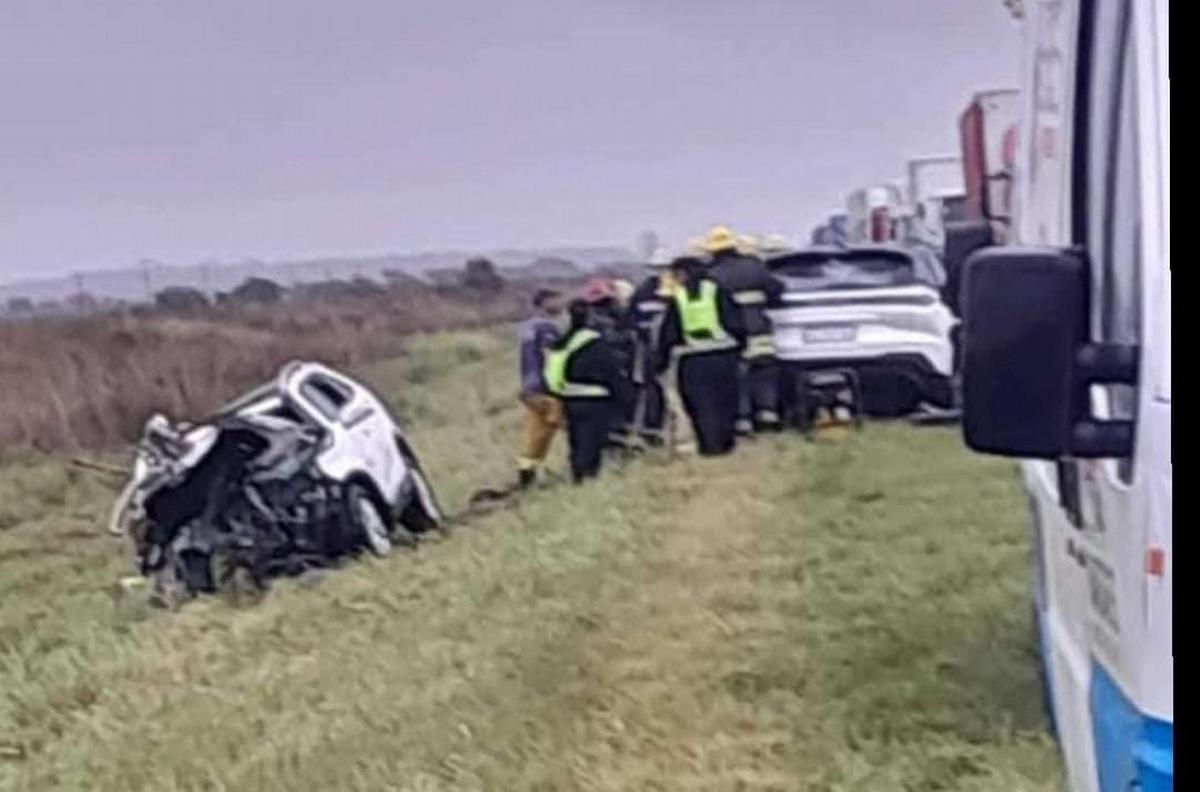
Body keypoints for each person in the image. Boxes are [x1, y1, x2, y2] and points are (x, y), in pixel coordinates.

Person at [656, 256, 744, 456]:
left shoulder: (679, 297)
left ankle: (709, 446)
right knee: (725, 402)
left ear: (683, 273)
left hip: (693, 360)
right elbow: (736, 323)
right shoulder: (717, 290)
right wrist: (740, 349)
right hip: (724, 357)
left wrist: (660, 363)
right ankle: (725, 444)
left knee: (699, 405)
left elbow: (669, 334)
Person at [702, 225, 785, 435]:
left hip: (732, 336)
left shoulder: (710, 276)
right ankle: (768, 415)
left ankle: (743, 420)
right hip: (760, 331)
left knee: (738, 378)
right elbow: (777, 291)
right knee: (764, 373)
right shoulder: (755, 267)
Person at [544, 299, 634, 482]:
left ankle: (577, 475)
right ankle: (587, 478)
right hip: (595, 400)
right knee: (591, 442)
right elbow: (611, 373)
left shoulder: (563, 343)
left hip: (568, 399)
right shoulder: (595, 344)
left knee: (576, 440)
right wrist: (626, 397)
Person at [628, 248, 679, 446]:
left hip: (656, 350)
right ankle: (654, 431)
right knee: (656, 392)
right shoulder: (646, 291)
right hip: (655, 351)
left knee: (657, 392)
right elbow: (632, 321)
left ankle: (656, 431)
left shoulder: (643, 291)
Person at [516, 289, 565, 488]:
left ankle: (526, 475)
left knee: (536, 437)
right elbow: (553, 356)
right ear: (544, 302)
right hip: (545, 388)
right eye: (556, 301)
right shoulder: (547, 328)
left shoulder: (526, 327)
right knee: (568, 425)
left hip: (529, 388)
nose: (560, 305)